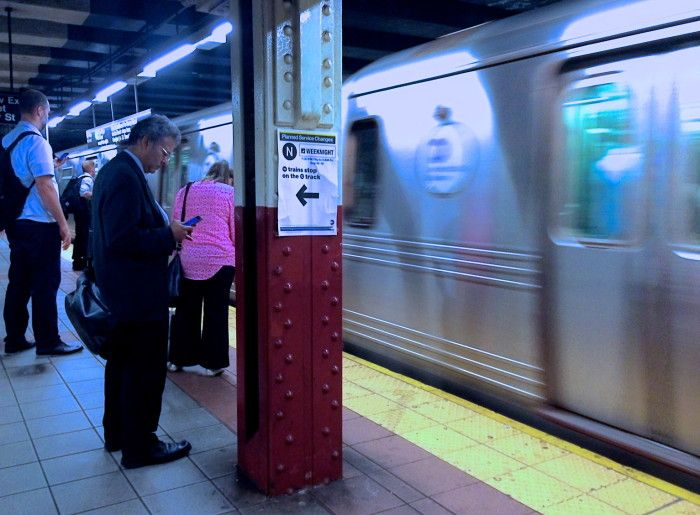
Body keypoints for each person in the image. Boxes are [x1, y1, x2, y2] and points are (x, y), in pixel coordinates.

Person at [91, 114, 193, 469]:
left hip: (123, 295)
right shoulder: (124, 176)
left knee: (120, 367)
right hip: (137, 297)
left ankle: (118, 434)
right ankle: (141, 447)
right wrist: (170, 235)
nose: (164, 162)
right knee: (145, 372)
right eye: (164, 153)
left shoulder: (113, 171)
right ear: (146, 141)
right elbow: (123, 238)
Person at [2, 89, 82, 356]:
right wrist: (62, 224)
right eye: (47, 112)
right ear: (39, 110)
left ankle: (14, 338)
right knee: (45, 284)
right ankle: (48, 342)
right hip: (39, 225)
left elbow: (24, 176)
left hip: (17, 224)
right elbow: (46, 186)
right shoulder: (37, 142)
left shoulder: (7, 141)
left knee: (19, 282)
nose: (47, 116)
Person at [167, 161, 235, 377]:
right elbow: (234, 229)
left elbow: (176, 223)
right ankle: (213, 363)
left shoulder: (184, 191)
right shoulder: (229, 193)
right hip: (220, 260)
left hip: (189, 260)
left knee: (186, 310)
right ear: (228, 178)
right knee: (216, 312)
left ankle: (178, 359)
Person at [71, 159, 96, 271]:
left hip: (79, 212)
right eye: (94, 168)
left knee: (80, 235)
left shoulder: (80, 178)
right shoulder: (87, 179)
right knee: (85, 235)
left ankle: (77, 261)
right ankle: (83, 262)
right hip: (84, 212)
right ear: (90, 168)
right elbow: (84, 192)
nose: (95, 170)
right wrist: (96, 194)